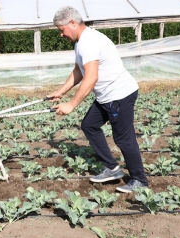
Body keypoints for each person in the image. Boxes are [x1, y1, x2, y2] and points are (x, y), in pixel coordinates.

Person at [47, 6, 148, 193]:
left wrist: (71, 104)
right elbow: (79, 71)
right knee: (89, 125)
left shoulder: (89, 42)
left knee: (124, 139)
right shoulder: (80, 42)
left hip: (119, 95)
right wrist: (61, 92)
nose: (61, 35)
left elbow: (91, 77)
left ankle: (139, 180)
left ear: (72, 23)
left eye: (61, 30)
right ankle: (112, 168)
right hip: (106, 96)